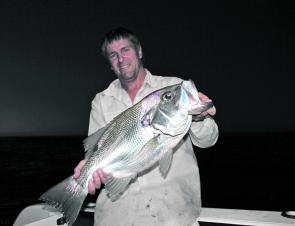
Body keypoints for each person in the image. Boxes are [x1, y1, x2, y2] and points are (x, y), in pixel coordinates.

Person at [74, 27, 218, 226]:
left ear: (139, 51)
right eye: (113, 55)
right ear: (109, 63)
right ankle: (71, 194)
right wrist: (89, 167)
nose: (121, 59)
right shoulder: (101, 101)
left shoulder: (173, 86)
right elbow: (96, 150)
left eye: (126, 50)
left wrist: (198, 118)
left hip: (174, 213)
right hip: (119, 216)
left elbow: (209, 141)